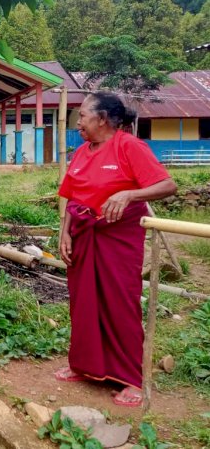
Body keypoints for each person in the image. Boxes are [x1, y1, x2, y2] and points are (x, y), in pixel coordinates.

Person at [57, 92, 177, 407]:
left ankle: (130, 378)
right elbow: (72, 196)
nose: (78, 121)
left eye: (83, 115)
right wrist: (64, 233)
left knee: (119, 302)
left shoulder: (129, 146)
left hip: (117, 238)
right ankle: (85, 366)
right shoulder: (82, 152)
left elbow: (167, 185)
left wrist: (129, 195)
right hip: (83, 236)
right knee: (83, 303)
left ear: (103, 119)